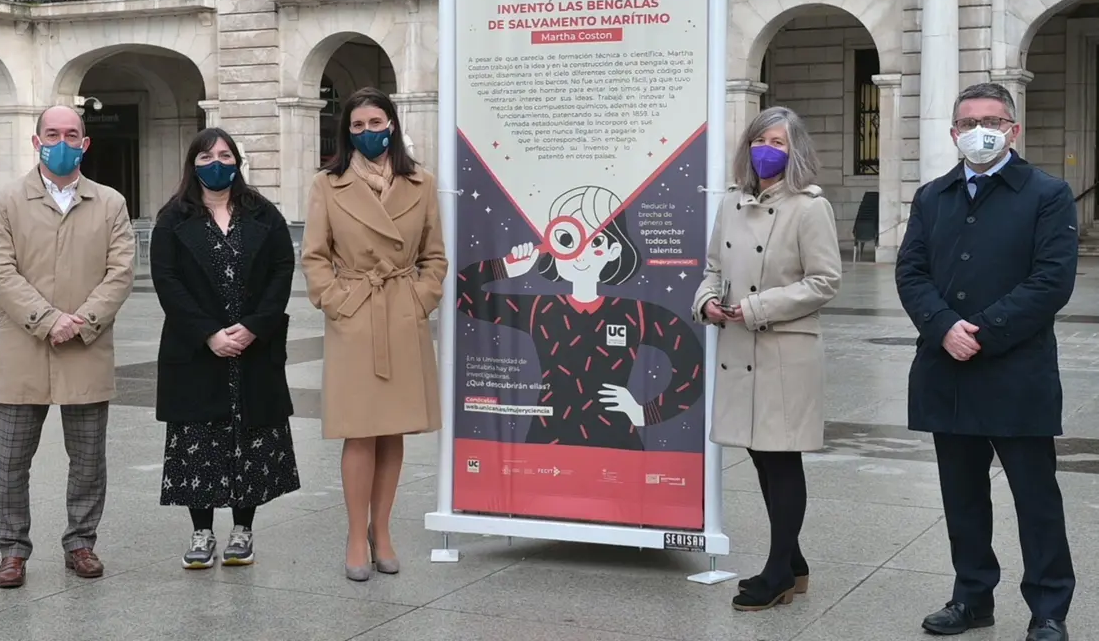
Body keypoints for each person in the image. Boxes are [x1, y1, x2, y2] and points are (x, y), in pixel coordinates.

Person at [896, 83, 1076, 641]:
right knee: (962, 495)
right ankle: (972, 597)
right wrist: (944, 326)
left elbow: (1051, 281)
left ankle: (1048, 608)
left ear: (1013, 130)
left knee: (1035, 497)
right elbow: (911, 272)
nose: (981, 129)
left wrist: (984, 332)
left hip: (1016, 373)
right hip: (946, 371)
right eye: (969, 121)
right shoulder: (932, 196)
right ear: (953, 133)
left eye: (993, 119)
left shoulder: (1047, 193)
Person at [691, 106, 842, 612]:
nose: (768, 150)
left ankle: (778, 570)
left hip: (784, 349)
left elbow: (824, 281)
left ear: (795, 150)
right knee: (759, 453)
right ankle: (794, 561)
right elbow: (713, 265)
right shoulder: (732, 202)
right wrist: (707, 301)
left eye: (779, 142)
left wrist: (755, 307)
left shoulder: (808, 207)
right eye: (761, 139)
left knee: (781, 457)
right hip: (738, 345)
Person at [0, 105, 136, 588]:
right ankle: (12, 550)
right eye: (53, 133)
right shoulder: (4, 199)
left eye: (72, 134)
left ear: (85, 144)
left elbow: (121, 272)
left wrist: (82, 321)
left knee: (88, 458)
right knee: (10, 460)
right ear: (36, 141)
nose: (62, 142)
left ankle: (81, 542)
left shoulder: (110, 202)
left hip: (85, 347)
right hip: (22, 348)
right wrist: (48, 320)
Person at [301, 87, 447, 582]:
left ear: (393, 124)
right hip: (355, 315)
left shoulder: (421, 182)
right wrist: (338, 301)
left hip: (402, 314)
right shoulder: (328, 184)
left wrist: (420, 297)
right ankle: (353, 533)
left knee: (392, 429)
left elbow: (435, 256)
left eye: (376, 122)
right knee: (359, 430)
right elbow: (315, 255)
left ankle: (381, 530)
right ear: (347, 132)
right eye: (357, 126)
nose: (368, 133)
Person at [150, 128, 300, 570]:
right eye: (206, 156)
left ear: (237, 160)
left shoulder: (262, 213)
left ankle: (242, 529)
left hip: (253, 348)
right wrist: (209, 334)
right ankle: (201, 532)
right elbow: (167, 281)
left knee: (249, 439)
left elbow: (281, 270)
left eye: (225, 154)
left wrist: (254, 328)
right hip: (197, 349)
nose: (217, 163)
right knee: (198, 438)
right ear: (192, 165)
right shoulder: (172, 218)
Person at [456, 185, 704, 451]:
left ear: (614, 250)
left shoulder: (637, 314)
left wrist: (644, 412)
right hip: (548, 438)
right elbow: (464, 293)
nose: (582, 252)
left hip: (617, 441)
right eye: (569, 240)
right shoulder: (540, 308)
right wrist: (506, 267)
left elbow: (690, 364)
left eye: (596, 241)